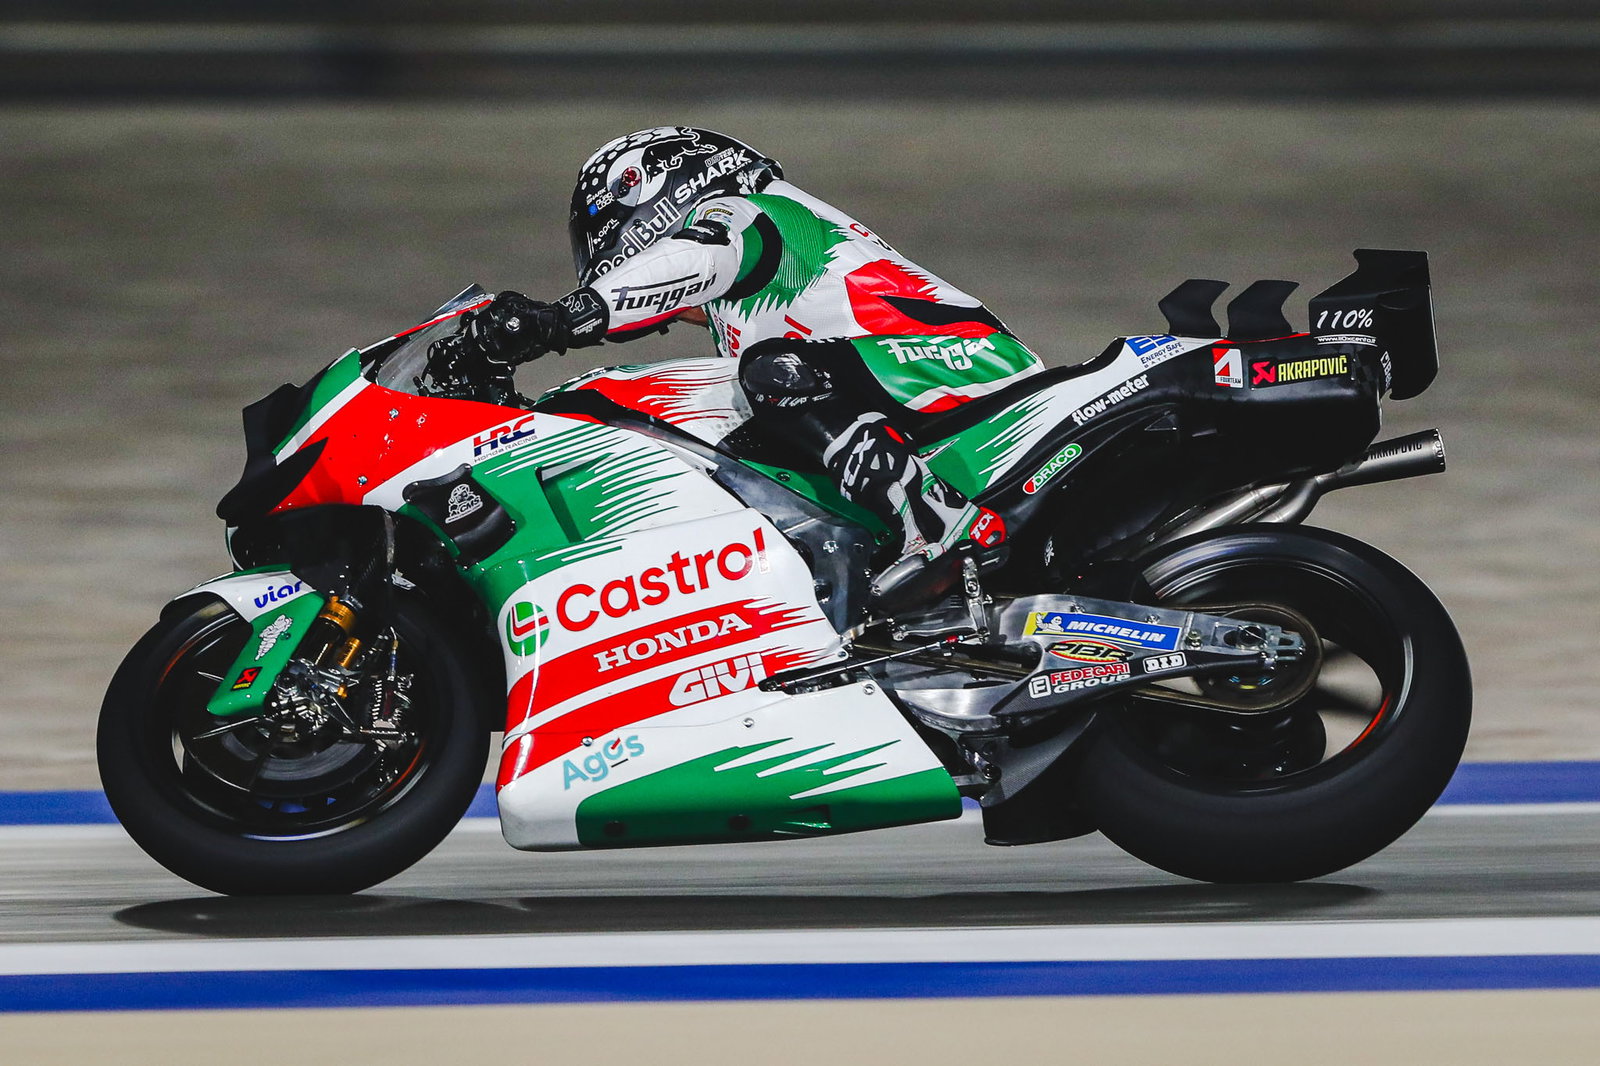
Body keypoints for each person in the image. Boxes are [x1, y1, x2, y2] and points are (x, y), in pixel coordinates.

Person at [456, 126, 1043, 609]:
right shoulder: (747, 307)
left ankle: (936, 522)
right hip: (914, 392)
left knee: (773, 372)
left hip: (962, 365)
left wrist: (565, 317)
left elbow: (700, 259)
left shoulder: (754, 214)